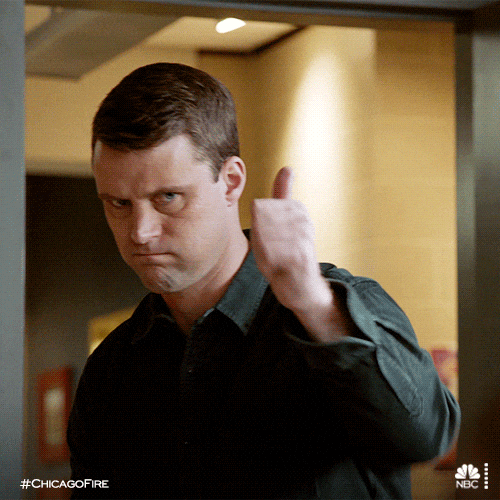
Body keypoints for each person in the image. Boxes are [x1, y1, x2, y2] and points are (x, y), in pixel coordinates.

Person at [67, 62, 460, 499]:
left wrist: (313, 306)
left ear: (231, 182)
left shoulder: (337, 309)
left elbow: (426, 439)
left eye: (168, 197)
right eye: (119, 204)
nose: (140, 232)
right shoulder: (112, 368)